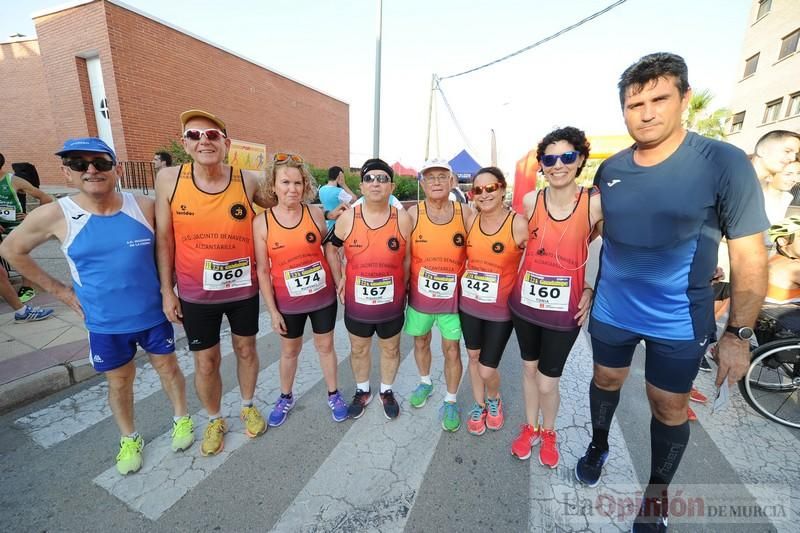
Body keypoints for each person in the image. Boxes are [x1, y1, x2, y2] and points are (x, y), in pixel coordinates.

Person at [577, 53, 768, 531]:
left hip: (678, 318)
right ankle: (598, 444)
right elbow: (590, 232)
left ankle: (656, 497)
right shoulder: (611, 168)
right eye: (633, 103)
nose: (645, 112)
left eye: (659, 98)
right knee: (605, 381)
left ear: (684, 98)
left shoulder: (722, 162)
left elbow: (750, 256)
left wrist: (738, 335)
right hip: (612, 309)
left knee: (668, 405)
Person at [0, 138, 193, 475]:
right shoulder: (57, 214)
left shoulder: (144, 207)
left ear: (117, 169)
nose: (90, 170)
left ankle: (181, 419)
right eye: (78, 163)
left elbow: (173, 245)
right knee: (119, 382)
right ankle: (129, 438)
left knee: (169, 369)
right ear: (66, 171)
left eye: (100, 162)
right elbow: (11, 250)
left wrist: (169, 290)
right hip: (104, 323)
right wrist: (60, 292)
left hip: (152, 314)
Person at [155, 109, 272, 456]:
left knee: (246, 349)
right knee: (206, 361)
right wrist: (166, 290)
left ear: (226, 143)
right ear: (184, 144)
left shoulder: (247, 180)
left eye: (212, 135)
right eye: (194, 135)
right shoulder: (169, 180)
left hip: (242, 290)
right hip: (195, 293)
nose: (204, 141)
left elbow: (284, 207)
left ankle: (248, 405)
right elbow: (164, 238)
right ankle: (214, 418)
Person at [507, 127, 601, 467]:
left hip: (565, 312)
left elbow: (612, 251)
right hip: (525, 306)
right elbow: (516, 243)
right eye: (549, 158)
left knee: (548, 382)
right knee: (529, 371)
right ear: (542, 165)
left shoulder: (593, 203)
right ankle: (530, 427)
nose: (557, 165)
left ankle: (549, 431)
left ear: (579, 161)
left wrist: (592, 287)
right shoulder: (532, 201)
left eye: (567, 157)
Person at [253, 152, 349, 426]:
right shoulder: (262, 223)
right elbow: (262, 270)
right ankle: (285, 396)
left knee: (326, 346)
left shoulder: (315, 213)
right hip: (288, 302)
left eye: (297, 183)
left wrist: (339, 282)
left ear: (304, 185)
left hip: (322, 298)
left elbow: (329, 250)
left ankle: (333, 394)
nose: (292, 189)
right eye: (285, 182)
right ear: (273, 186)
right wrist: (272, 311)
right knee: (289, 351)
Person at [327, 158, 412, 420]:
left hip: (392, 303)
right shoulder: (347, 218)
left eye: (382, 178)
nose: (376, 183)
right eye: (370, 178)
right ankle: (363, 391)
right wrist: (338, 278)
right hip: (357, 303)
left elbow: (408, 257)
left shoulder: (403, 219)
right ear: (361, 187)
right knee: (359, 349)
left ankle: (386, 391)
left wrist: (405, 286)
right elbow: (331, 247)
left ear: (392, 186)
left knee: (391, 349)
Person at [405, 158, 474, 432]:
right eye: (430, 177)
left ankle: (451, 399)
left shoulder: (465, 213)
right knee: (420, 342)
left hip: (453, 300)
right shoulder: (412, 214)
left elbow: (478, 249)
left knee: (452, 349)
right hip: (420, 298)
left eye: (441, 176)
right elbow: (405, 256)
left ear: (451, 181)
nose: (436, 182)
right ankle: (425, 382)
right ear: (422, 182)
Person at [460, 167, 527, 436]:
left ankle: (494, 398)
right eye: (479, 190)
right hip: (469, 306)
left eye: (491, 188)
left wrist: (586, 286)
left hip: (500, 311)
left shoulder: (518, 224)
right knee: (473, 357)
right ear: (472, 194)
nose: (485, 194)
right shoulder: (470, 221)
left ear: (502, 189)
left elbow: (541, 260)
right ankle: (479, 404)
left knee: (488, 369)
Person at [1, 153, 55, 304]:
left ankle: (27, 287)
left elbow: (46, 198)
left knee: (20, 255)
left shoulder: (14, 180)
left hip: (16, 226)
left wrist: (31, 216)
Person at [319, 166, 356, 231]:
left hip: (326, 223)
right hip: (338, 225)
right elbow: (354, 199)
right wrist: (343, 184)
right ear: (340, 176)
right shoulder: (339, 191)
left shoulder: (321, 189)